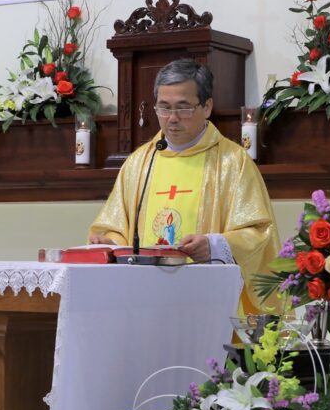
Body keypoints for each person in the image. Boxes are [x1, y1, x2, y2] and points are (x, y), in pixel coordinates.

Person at [89, 59, 280, 315]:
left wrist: (214, 246)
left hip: (208, 302)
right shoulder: (139, 163)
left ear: (207, 107)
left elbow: (259, 232)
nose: (172, 118)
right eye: (164, 107)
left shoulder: (233, 162)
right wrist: (109, 242)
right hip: (145, 299)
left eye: (183, 108)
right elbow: (117, 228)